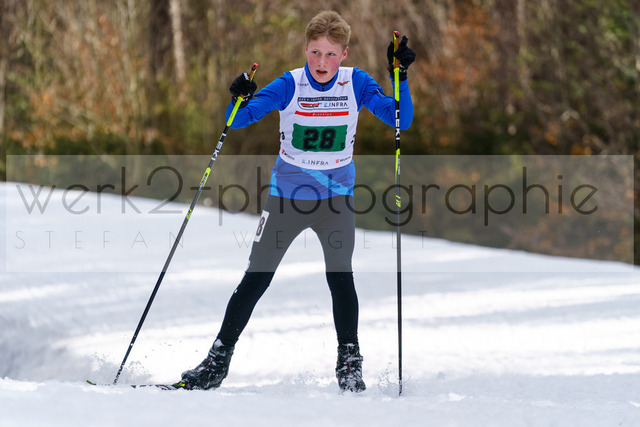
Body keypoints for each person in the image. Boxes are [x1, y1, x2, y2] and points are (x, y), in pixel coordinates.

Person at [178, 10, 415, 392]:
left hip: (336, 200)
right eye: (316, 52)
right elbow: (237, 120)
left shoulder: (356, 82)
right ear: (305, 49)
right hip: (286, 200)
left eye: (331, 54)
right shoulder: (289, 84)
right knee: (256, 277)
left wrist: (399, 77)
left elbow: (399, 118)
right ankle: (216, 362)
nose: (322, 62)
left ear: (344, 53)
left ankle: (349, 364)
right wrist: (238, 97)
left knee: (341, 277)